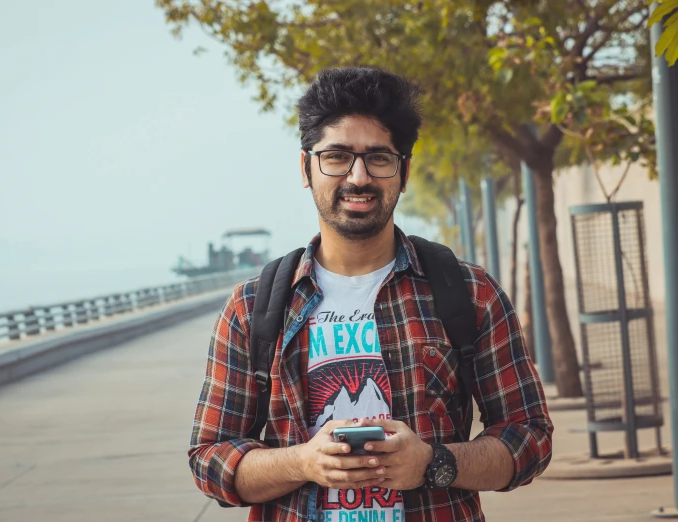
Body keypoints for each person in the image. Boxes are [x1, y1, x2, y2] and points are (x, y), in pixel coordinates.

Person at [188, 67, 553, 522]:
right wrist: (303, 461)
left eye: (379, 158)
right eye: (337, 156)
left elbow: (530, 436)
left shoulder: (470, 293)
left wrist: (432, 463)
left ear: (404, 172)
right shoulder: (252, 307)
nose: (358, 177)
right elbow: (208, 460)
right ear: (306, 168)